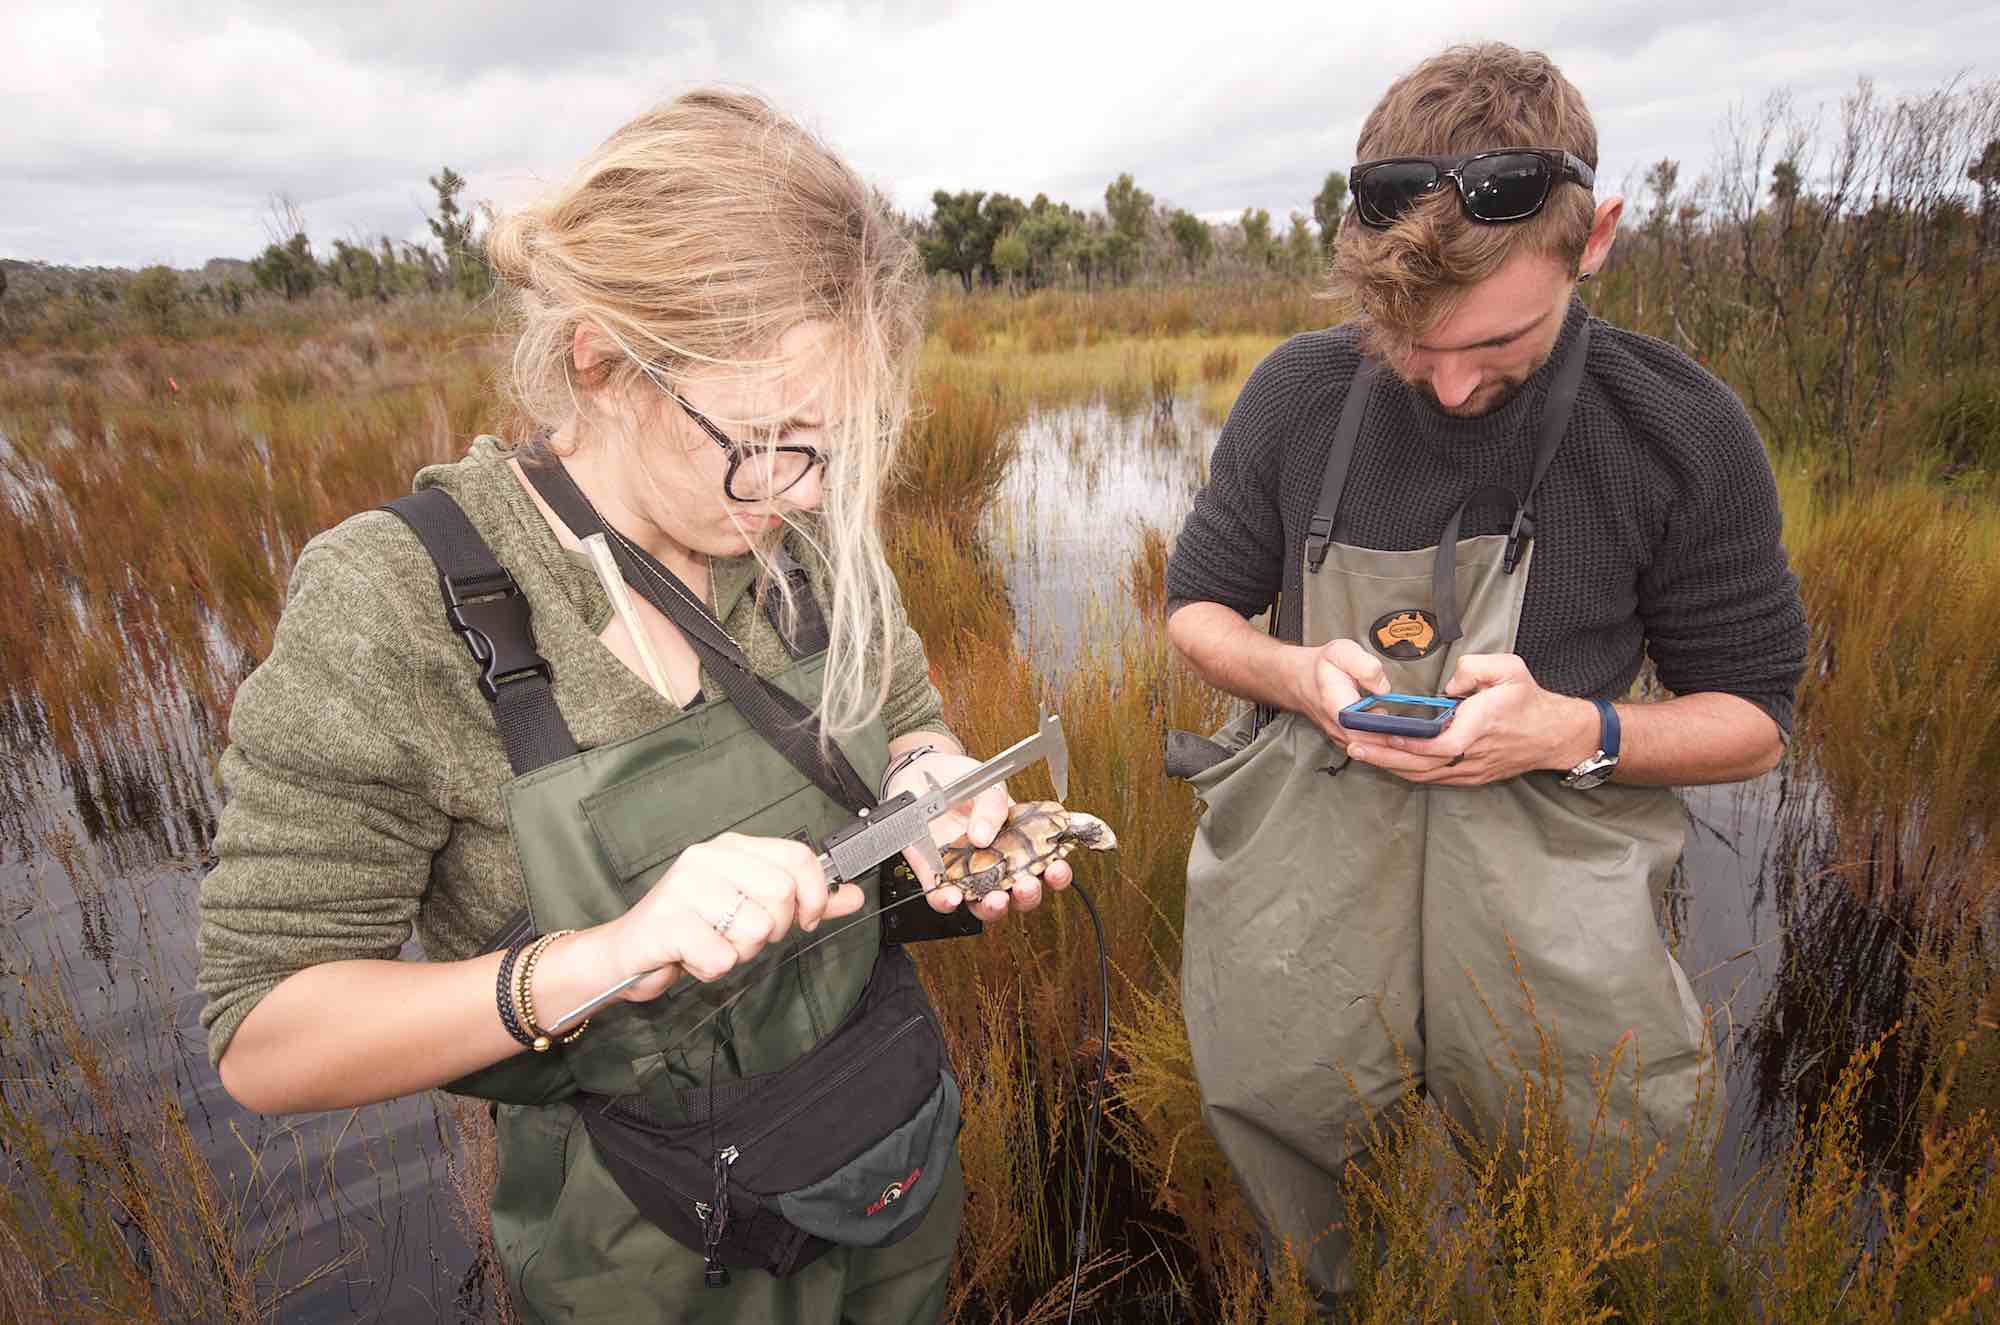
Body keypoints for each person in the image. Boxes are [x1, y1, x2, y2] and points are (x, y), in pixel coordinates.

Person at [197, 89, 1069, 1324]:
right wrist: (607, 958)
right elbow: (266, 1036)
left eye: (835, 443)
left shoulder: (791, 530)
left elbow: (911, 714)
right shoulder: (394, 597)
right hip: (642, 1250)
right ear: (602, 359)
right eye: (766, 439)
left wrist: (930, 790)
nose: (806, 491)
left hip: (886, 1170)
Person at [1165, 43, 1806, 1299]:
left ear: (1596, 236)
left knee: (1594, 1194)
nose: (1451, 382)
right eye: (1409, 340)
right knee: (1288, 1142)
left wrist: (1570, 728)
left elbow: (1752, 724)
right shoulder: (1299, 393)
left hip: (1546, 896)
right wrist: (1296, 675)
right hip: (1306, 871)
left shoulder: (1674, 431)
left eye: (1496, 338)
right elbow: (1195, 611)